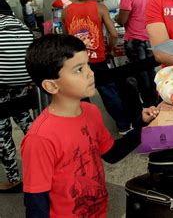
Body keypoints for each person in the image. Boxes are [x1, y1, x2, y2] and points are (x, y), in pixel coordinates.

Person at [21, 34, 158, 217]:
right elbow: (36, 203)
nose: (90, 73)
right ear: (52, 86)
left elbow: (111, 154)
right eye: (78, 70)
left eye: (88, 65)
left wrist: (143, 125)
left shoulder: (90, 111)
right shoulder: (40, 138)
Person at [62, 0, 133, 135]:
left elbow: (66, 40)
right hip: (98, 59)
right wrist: (108, 49)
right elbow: (114, 34)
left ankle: (86, 130)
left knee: (80, 96)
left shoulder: (66, 11)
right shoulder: (100, 7)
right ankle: (124, 126)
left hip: (76, 63)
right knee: (109, 93)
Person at [0, 0, 34, 193]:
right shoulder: (20, 24)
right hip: (23, 81)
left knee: (3, 131)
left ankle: (14, 179)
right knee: (24, 119)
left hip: (1, 86)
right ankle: (51, 161)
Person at [116, 0, 160, 107]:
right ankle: (155, 100)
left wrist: (116, 18)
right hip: (152, 39)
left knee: (141, 74)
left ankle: (147, 105)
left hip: (135, 40)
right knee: (151, 70)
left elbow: (122, 20)